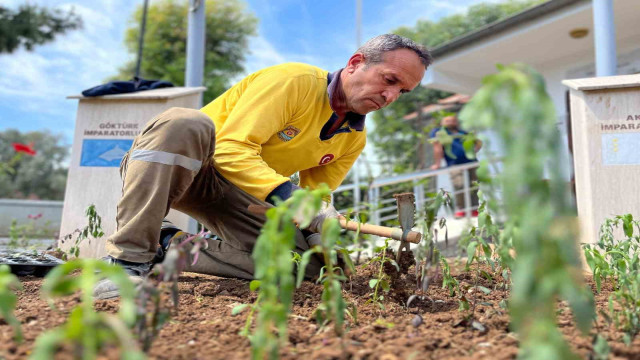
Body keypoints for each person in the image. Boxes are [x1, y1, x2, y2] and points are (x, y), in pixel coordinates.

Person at [93, 34, 432, 299]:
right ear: (356, 63)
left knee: (311, 267)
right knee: (185, 123)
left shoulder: (352, 138)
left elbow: (315, 198)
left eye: (402, 91)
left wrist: (321, 233)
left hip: (243, 196)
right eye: (389, 80)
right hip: (187, 166)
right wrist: (290, 195)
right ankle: (128, 261)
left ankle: (169, 245)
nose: (390, 96)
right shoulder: (294, 82)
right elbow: (228, 149)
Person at [429, 115, 482, 218]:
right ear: (442, 122)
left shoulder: (462, 132)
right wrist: (437, 164)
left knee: (474, 185)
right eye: (447, 120)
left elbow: (478, 142)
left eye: (453, 120)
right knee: (459, 185)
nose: (451, 122)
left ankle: (474, 209)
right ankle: (461, 209)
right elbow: (437, 148)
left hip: (471, 162)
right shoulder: (439, 132)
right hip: (454, 164)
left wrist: (473, 151)